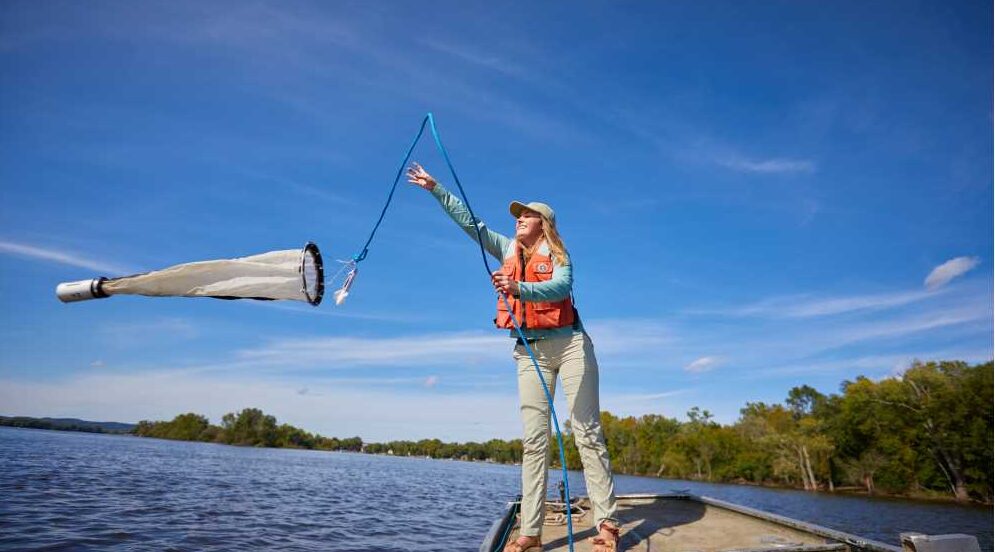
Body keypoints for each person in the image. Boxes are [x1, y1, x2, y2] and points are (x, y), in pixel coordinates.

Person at [407, 163, 621, 552]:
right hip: (529, 352)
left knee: (586, 431)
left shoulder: (558, 253)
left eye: (527, 214)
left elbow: (561, 287)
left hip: (571, 346)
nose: (520, 219)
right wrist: (435, 188)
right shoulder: (506, 248)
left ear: (545, 223)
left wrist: (519, 288)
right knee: (534, 441)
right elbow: (472, 224)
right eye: (518, 216)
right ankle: (531, 532)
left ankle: (606, 523)